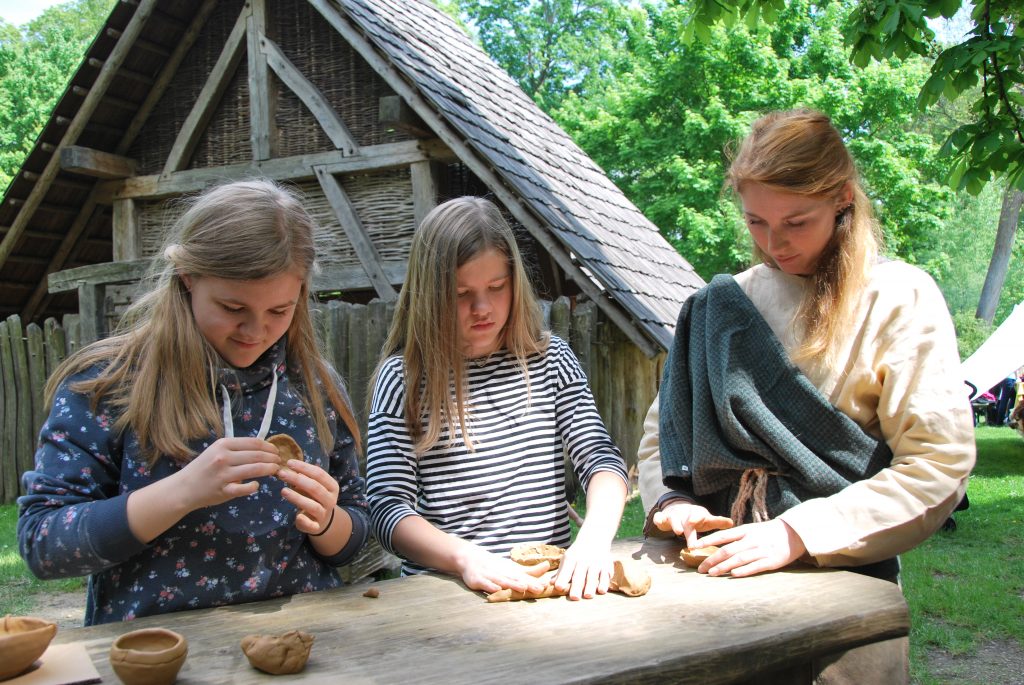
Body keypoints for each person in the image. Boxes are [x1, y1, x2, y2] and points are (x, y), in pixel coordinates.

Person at [638, 109, 975, 585]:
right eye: (756, 221)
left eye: (796, 222)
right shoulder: (718, 306)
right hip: (711, 568)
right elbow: (664, 438)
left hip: (840, 574)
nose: (774, 243)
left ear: (842, 198)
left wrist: (797, 533)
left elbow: (937, 463)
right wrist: (672, 500)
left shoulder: (898, 298)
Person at [18, 180, 369, 625]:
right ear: (187, 279)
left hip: (300, 641)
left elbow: (354, 533)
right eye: (232, 308)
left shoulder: (317, 387)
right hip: (157, 648)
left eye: (279, 311)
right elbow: (44, 545)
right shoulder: (108, 385)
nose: (255, 331)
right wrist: (181, 492)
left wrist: (328, 521)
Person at [365, 196, 628, 601]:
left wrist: (593, 538)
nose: (482, 308)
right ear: (429, 295)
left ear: (515, 281)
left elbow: (601, 460)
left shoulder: (551, 361)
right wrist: (465, 558)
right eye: (461, 293)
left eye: (496, 287)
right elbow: (387, 508)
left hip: (547, 591)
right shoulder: (403, 379)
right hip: (445, 599)